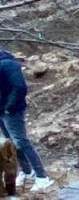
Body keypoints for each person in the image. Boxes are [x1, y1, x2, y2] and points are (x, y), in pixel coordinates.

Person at [0, 48, 52, 190]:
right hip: (2, 111)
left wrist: (9, 107)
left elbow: (19, 87)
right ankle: (27, 172)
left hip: (11, 111)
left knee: (21, 142)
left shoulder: (8, 64)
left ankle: (42, 177)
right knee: (11, 143)